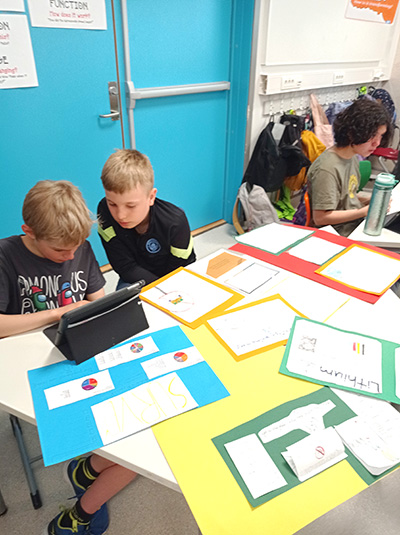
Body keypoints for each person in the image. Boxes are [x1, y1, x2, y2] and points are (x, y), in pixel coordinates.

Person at [0, 180, 135, 535]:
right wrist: (56, 313)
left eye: (77, 247)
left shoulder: (79, 247)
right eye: (61, 250)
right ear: (29, 231)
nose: (72, 256)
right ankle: (86, 475)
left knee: (135, 416)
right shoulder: (5, 256)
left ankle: (87, 471)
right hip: (28, 363)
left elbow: (96, 301)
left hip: (75, 352)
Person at [97, 149, 196, 288]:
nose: (120, 215)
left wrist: (163, 291)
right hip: (134, 278)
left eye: (130, 206)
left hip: (174, 279)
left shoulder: (175, 222)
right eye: (112, 204)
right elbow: (125, 267)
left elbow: (181, 268)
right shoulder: (104, 212)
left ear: (151, 197)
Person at [307, 98, 392, 236]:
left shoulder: (352, 157)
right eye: (372, 136)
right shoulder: (327, 169)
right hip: (338, 233)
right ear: (353, 133)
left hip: (354, 225)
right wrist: (364, 211)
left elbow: (346, 195)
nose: (377, 143)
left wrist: (370, 200)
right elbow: (321, 218)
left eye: (380, 136)